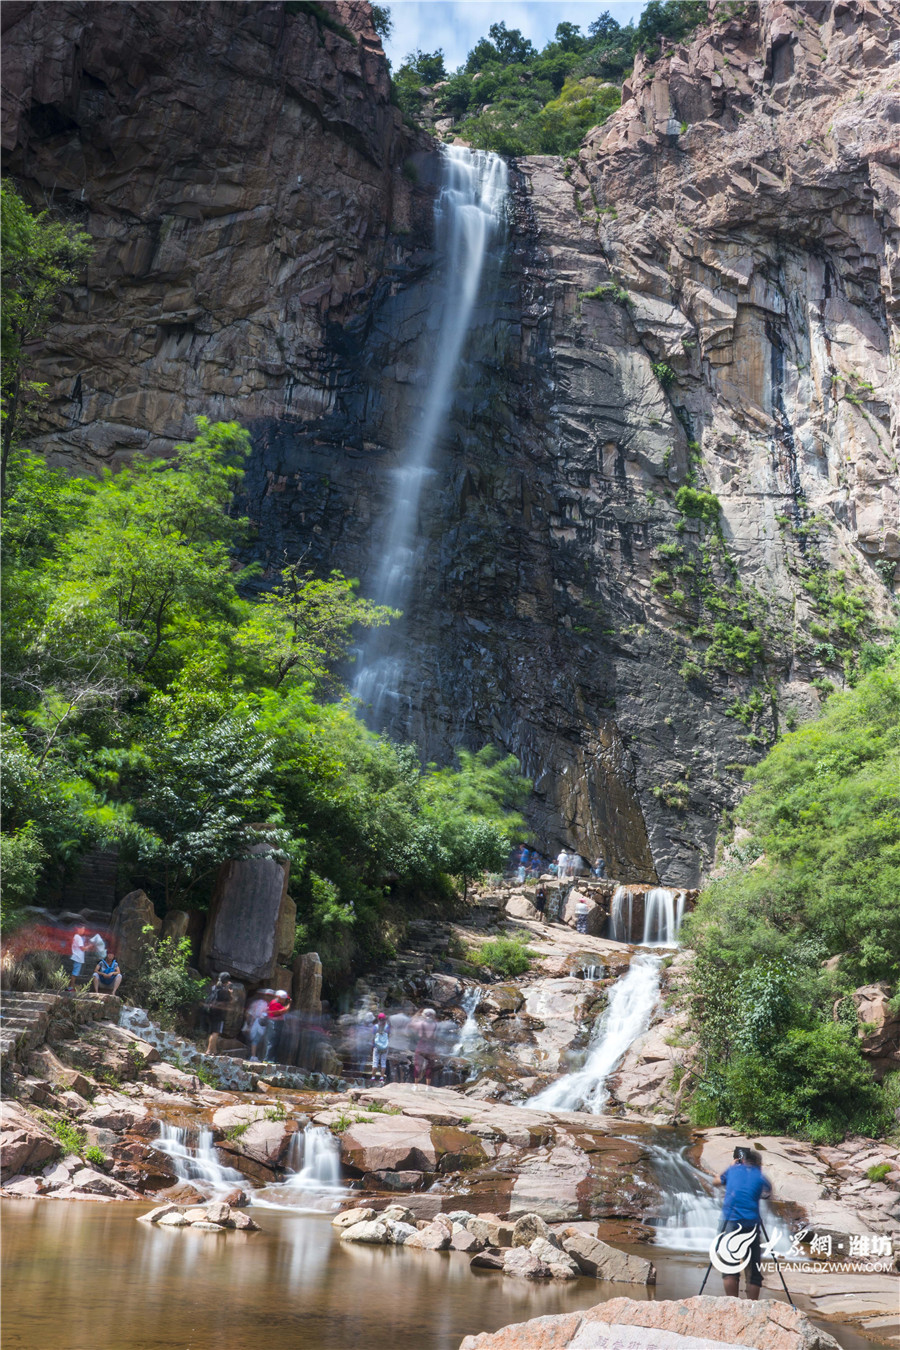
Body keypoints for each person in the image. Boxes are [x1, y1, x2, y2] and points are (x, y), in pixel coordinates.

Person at [717, 1146, 772, 1300]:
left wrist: (732, 1166)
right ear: (758, 1164)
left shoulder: (733, 1171)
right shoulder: (760, 1177)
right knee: (754, 1270)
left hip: (731, 1222)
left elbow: (716, 1180)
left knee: (729, 1268)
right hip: (752, 1224)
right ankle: (752, 1305)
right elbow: (768, 1192)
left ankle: (733, 1303)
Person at [204, 972, 233, 1053]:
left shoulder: (214, 987)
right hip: (219, 1014)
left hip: (211, 1012)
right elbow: (229, 1001)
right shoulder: (224, 991)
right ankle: (209, 1051)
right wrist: (230, 993)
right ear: (227, 981)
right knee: (215, 1032)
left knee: (213, 1032)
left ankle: (214, 1051)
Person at [243, 989, 270, 1062]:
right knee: (255, 1040)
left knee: (253, 1040)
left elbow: (248, 1013)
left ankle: (252, 1055)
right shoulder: (262, 1003)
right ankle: (253, 1056)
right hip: (257, 1024)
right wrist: (249, 1024)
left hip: (255, 1023)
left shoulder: (256, 1002)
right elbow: (253, 1014)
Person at [413, 1007, 437, 1086]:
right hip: (430, 1047)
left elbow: (418, 1034)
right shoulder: (435, 1024)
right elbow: (434, 1036)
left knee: (417, 1065)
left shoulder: (421, 1024)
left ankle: (415, 1085)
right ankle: (427, 1086)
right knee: (429, 1066)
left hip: (421, 1046)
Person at [265, 989, 291, 1061]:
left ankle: (273, 1059)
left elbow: (288, 998)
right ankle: (267, 1059)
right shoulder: (275, 1003)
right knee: (272, 1042)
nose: (284, 1000)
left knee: (276, 1042)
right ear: (278, 997)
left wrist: (288, 999)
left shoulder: (278, 1002)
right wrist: (289, 1004)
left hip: (278, 1024)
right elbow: (284, 1011)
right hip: (274, 1024)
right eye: (283, 999)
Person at [372, 1012, 390, 1084]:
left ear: (378, 1019)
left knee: (375, 1062)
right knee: (383, 1062)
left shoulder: (375, 1027)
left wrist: (372, 1045)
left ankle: (373, 1077)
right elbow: (389, 1035)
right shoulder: (387, 1027)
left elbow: (372, 1037)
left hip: (377, 1047)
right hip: (385, 1047)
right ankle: (382, 1078)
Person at [68, 929, 87, 993]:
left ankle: (71, 987)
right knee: (74, 974)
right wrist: (90, 946)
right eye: (82, 929)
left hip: (77, 957)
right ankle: (70, 988)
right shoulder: (78, 937)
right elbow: (82, 948)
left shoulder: (76, 936)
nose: (83, 931)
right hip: (78, 958)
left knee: (74, 973)